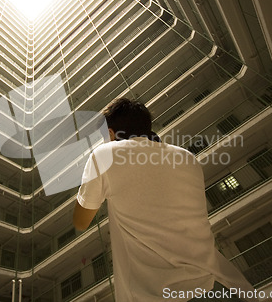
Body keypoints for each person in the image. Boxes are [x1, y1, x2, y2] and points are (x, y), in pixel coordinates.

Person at [73, 98, 257, 301]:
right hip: (218, 286)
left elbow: (81, 222)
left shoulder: (104, 155)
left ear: (111, 133)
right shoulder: (187, 158)